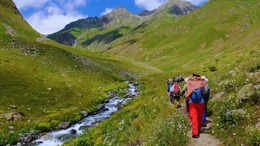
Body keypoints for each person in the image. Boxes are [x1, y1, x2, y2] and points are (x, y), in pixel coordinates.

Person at [185, 73, 206, 138]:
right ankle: (196, 131)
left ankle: (196, 131)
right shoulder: (201, 83)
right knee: (197, 117)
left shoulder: (189, 83)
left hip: (194, 103)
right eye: (195, 76)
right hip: (198, 103)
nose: (195, 78)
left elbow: (187, 93)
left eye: (195, 76)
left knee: (196, 117)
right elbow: (204, 92)